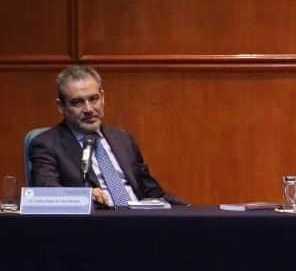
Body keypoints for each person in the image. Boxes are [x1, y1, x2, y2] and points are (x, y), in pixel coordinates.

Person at [30, 64, 185, 207]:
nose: (88, 109)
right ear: (61, 107)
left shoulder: (123, 138)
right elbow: (46, 192)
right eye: (78, 102)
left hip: (140, 218)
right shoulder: (47, 144)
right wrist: (84, 196)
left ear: (102, 97)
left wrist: (183, 209)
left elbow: (150, 190)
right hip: (96, 222)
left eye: (93, 99)